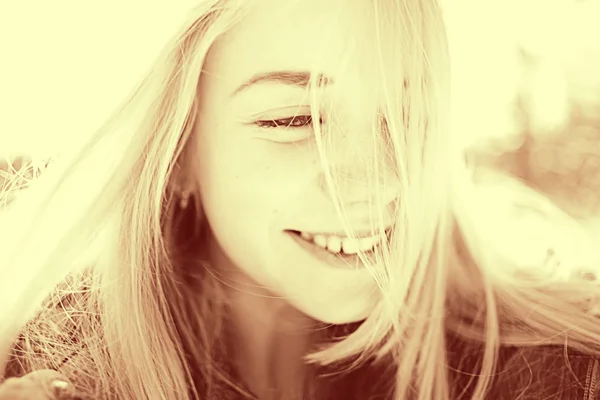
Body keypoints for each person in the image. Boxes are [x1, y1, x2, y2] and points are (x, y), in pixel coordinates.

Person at [1, 0, 600, 399]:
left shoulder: (563, 367)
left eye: (407, 115)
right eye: (293, 119)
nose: (375, 182)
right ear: (174, 151)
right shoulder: (39, 370)